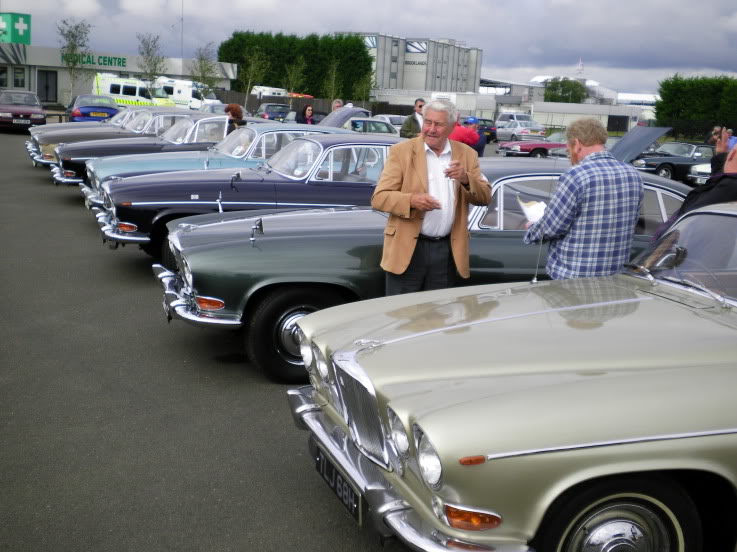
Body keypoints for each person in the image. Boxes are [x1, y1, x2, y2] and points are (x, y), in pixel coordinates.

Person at [371, 99, 491, 295]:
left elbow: (485, 197)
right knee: (402, 316)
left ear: (452, 126)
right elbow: (379, 198)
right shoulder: (401, 152)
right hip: (407, 250)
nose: (431, 129)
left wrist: (466, 179)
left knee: (438, 316)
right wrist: (411, 200)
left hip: (446, 251)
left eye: (439, 124)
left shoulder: (467, 155)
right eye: (428, 122)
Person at [523, 117, 643, 280]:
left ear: (577, 144)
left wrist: (532, 229)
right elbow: (632, 221)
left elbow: (552, 227)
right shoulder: (633, 174)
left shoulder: (575, 176)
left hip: (574, 278)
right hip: (615, 278)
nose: (569, 155)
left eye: (568, 149)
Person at [654, 127, 737, 238]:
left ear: (732, 154)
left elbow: (689, 220)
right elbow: (717, 182)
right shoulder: (726, 185)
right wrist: (721, 155)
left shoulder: (729, 187)